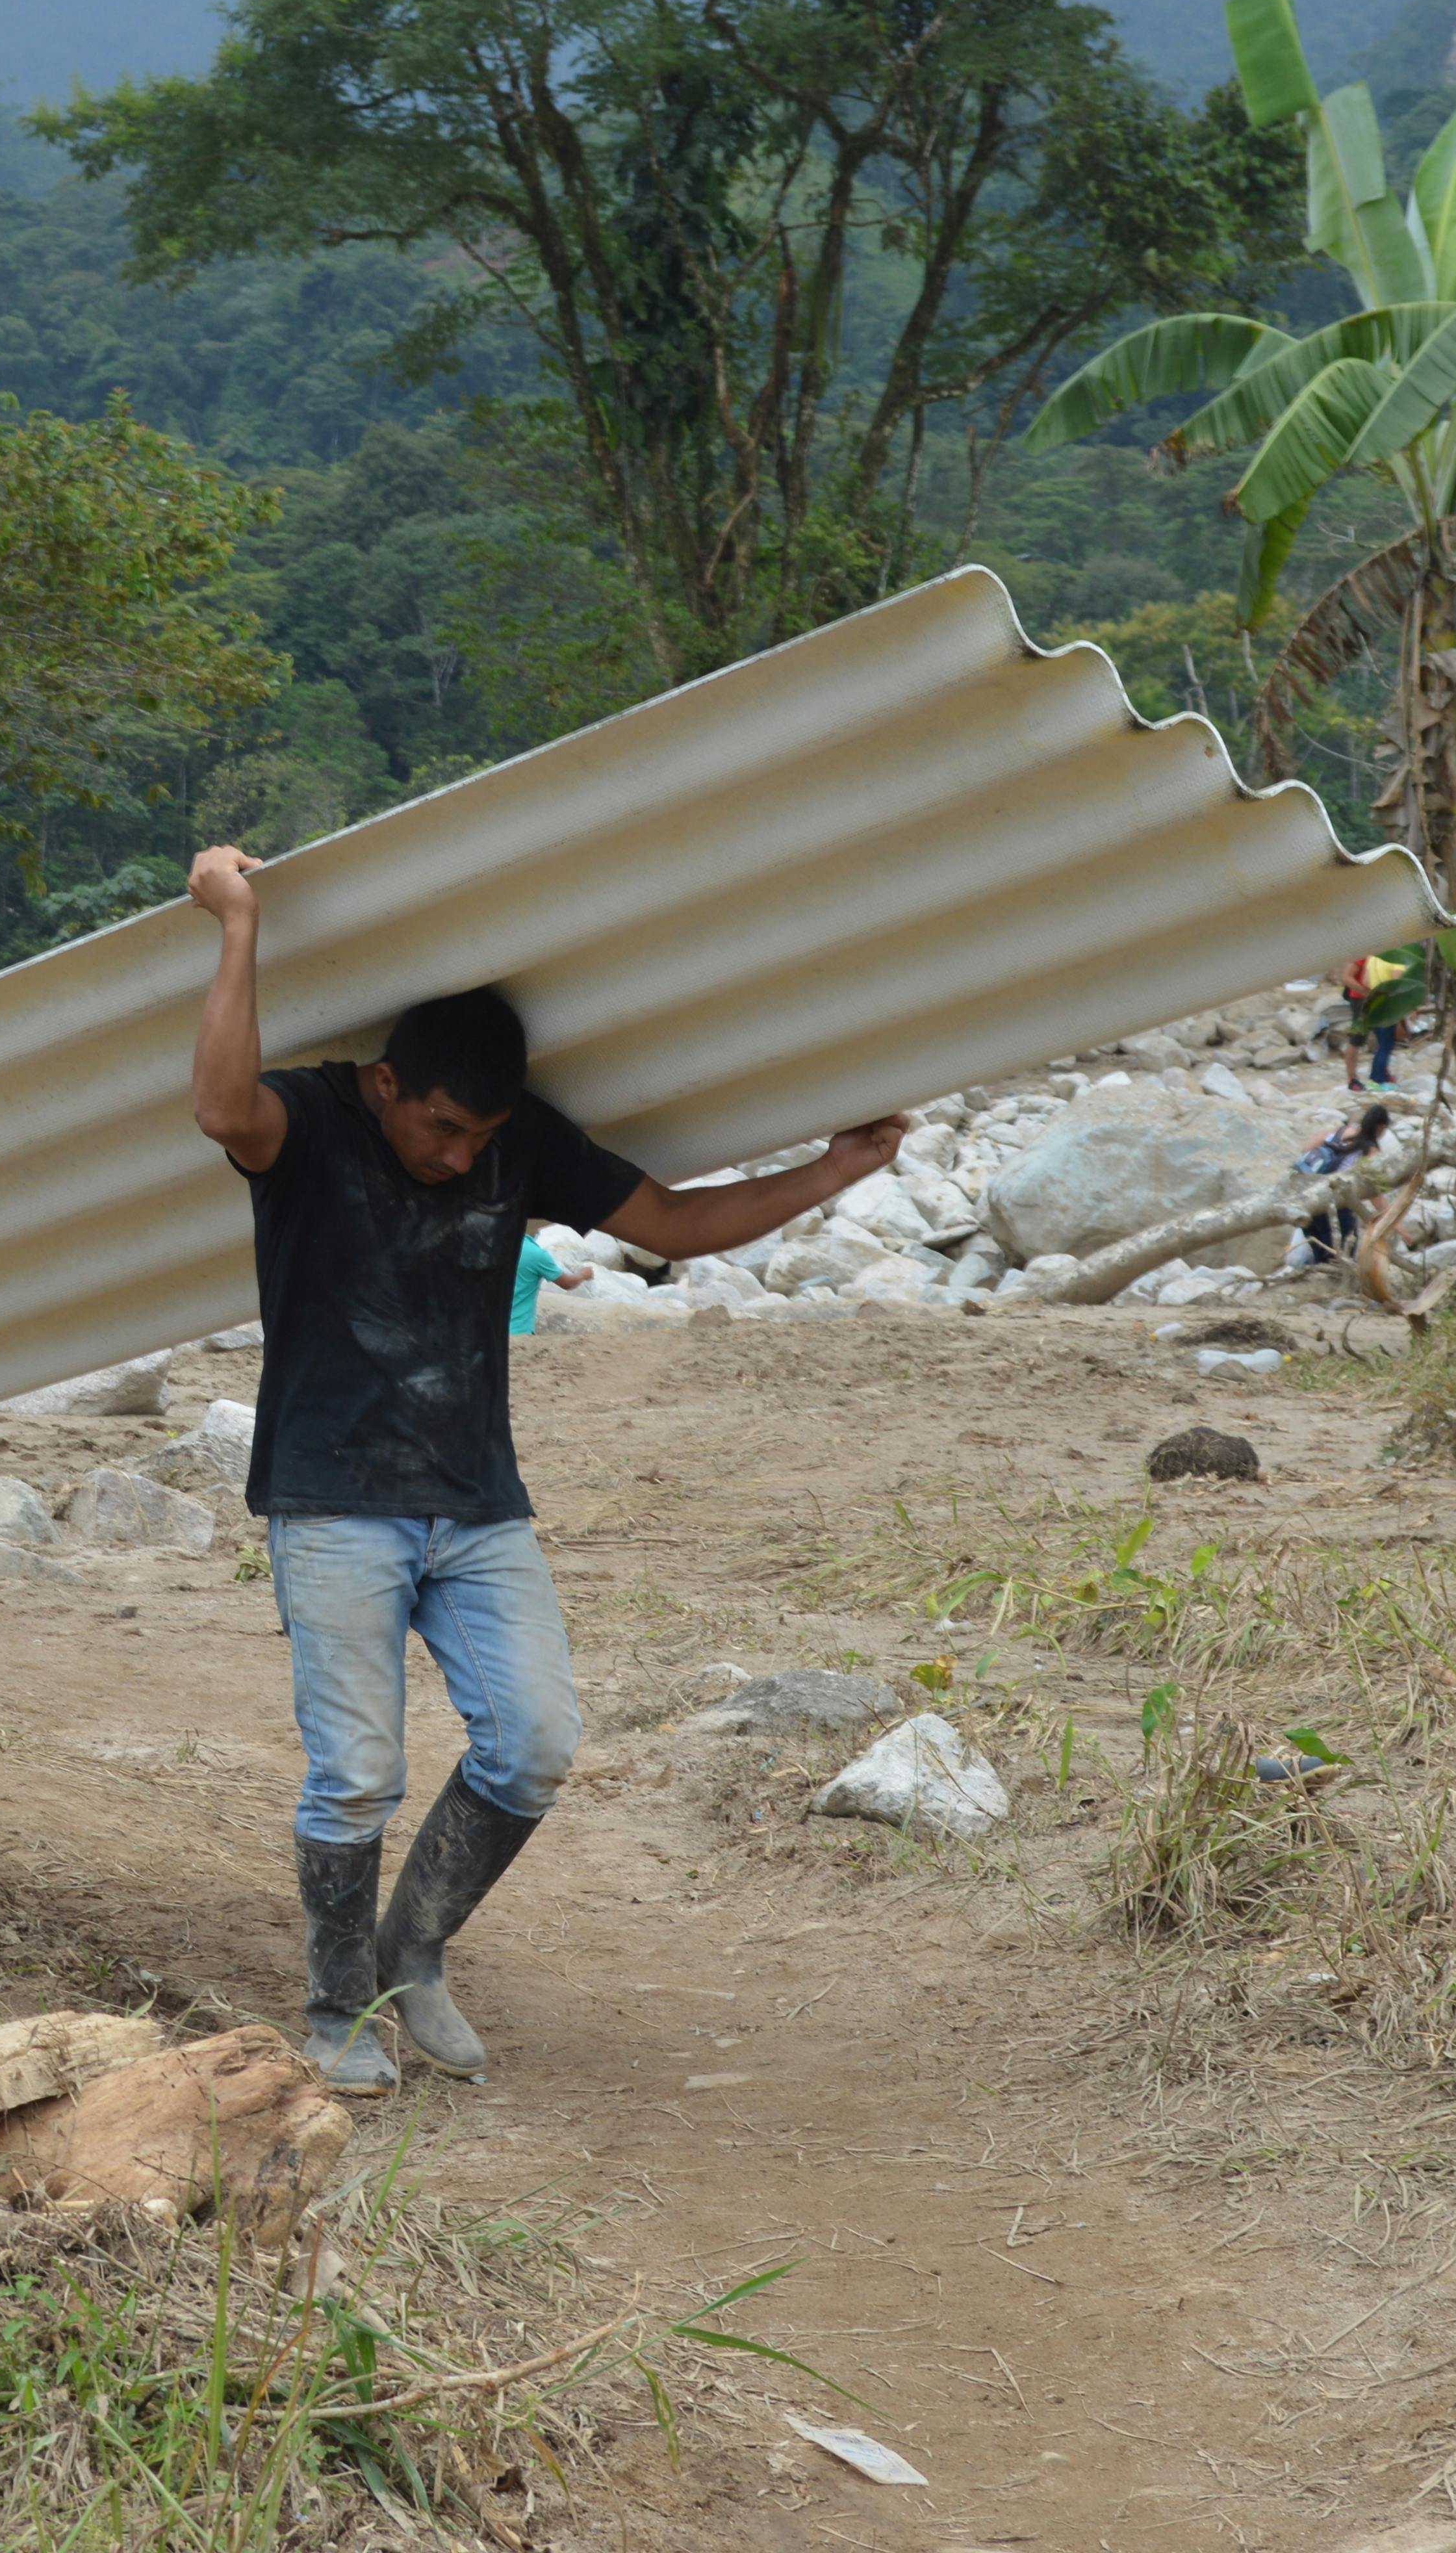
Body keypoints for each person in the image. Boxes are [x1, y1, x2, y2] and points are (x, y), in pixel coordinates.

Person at [187, 843, 912, 2093]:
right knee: (356, 1773)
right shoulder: (310, 1121)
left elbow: (675, 1222)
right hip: (332, 1499)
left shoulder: (517, 1145)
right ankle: (334, 2009)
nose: (466, 1158)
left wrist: (834, 1172)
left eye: (486, 1138)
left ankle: (414, 1953)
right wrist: (239, 926)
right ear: (385, 1085)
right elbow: (218, 1108)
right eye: (446, 1127)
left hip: (474, 1507)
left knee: (533, 1741)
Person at [1286, 1101, 1394, 1270]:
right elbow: (1375, 1194)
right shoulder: (1371, 1152)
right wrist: (1392, 1219)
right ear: (1381, 1127)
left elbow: (1306, 1149)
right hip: (1335, 1206)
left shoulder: (1338, 1132)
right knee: (1341, 1257)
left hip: (1309, 1198)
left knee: (1319, 1252)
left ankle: (1318, 1277)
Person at [508, 1224, 593, 1336]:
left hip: (487, 1331)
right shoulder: (535, 1254)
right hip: (519, 1331)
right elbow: (568, 1283)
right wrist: (583, 1274)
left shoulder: (488, 1247)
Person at [1337, 953, 1403, 1092]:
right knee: (1357, 1039)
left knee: (1383, 1038)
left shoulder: (1376, 955)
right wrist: (1367, 993)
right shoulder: (1364, 955)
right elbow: (1347, 978)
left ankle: (1382, 1073)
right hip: (1361, 999)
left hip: (1373, 998)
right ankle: (1352, 1079)